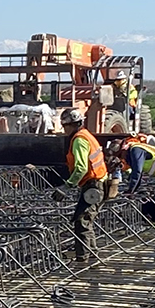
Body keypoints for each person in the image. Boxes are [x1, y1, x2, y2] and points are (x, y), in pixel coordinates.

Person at [53, 107, 109, 263]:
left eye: (64, 126)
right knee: (86, 220)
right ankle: (91, 254)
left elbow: (81, 168)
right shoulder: (86, 135)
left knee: (82, 221)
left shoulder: (79, 140)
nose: (64, 129)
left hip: (93, 186)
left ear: (70, 125)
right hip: (98, 183)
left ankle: (83, 258)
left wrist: (67, 186)